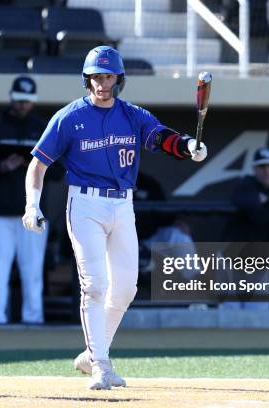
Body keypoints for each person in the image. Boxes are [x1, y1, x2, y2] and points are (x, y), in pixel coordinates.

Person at [22, 46, 207, 390]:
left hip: (123, 206)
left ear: (118, 79)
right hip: (85, 205)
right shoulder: (68, 117)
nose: (102, 83)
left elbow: (161, 137)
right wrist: (32, 205)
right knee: (94, 286)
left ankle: (92, 352)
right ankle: (101, 366)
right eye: (96, 77)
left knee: (125, 289)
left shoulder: (132, 114)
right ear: (87, 79)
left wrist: (186, 146)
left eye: (108, 76)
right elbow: (39, 164)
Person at [0, 76, 48, 325]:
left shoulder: (43, 128)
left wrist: (33, 165)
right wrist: (3, 165)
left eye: (27, 101)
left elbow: (58, 171)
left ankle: (33, 320)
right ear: (11, 98)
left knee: (33, 271)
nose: (23, 105)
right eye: (19, 100)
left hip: (32, 212)